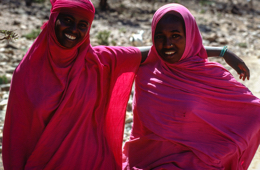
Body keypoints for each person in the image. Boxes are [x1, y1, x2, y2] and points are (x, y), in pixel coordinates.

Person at [1, 0, 250, 169]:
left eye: (82, 25)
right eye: (67, 20)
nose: (73, 30)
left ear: (88, 29)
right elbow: (16, 135)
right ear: (53, 18)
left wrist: (222, 51)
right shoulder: (27, 72)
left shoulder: (100, 61)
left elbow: (163, 51)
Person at [122, 3, 260, 170]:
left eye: (175, 36)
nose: (167, 44)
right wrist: (221, 51)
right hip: (144, 163)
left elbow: (253, 111)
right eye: (160, 36)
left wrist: (220, 152)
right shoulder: (147, 70)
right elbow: (111, 55)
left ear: (190, 37)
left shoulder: (208, 76)